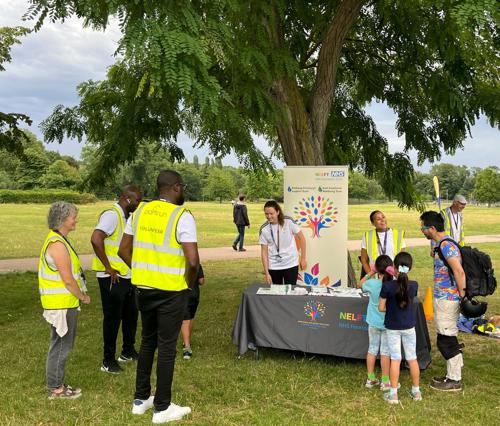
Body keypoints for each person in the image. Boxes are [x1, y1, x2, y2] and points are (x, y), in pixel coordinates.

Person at [118, 170, 199, 424]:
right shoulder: (181, 216)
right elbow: (193, 261)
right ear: (175, 187)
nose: (183, 190)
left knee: (147, 342)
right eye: (182, 186)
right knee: (166, 348)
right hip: (171, 292)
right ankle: (162, 407)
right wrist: (187, 283)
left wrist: (140, 270)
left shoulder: (139, 211)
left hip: (143, 289)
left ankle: (140, 400)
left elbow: (122, 250)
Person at [39, 201, 90, 399]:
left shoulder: (59, 239)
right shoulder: (57, 244)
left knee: (60, 344)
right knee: (61, 345)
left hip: (62, 303)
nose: (75, 219)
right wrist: (83, 297)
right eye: (73, 217)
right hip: (61, 304)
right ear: (62, 220)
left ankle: (56, 384)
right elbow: (68, 280)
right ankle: (56, 389)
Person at [91, 185, 142, 374]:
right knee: (113, 318)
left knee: (131, 314)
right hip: (112, 277)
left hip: (126, 275)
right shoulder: (112, 215)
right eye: (137, 200)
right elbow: (96, 239)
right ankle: (108, 360)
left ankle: (127, 351)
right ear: (127, 199)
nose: (139, 203)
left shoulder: (126, 217)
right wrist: (108, 267)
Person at [420, 211, 466, 392]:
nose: (421, 231)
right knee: (446, 335)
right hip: (442, 297)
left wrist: (463, 297)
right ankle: (452, 373)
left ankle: (454, 380)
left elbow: (459, 271)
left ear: (432, 228)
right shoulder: (441, 245)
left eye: (423, 227)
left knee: (446, 339)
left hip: (448, 298)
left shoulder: (447, 245)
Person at [379, 252, 421, 404]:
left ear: (394, 268)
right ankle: (416, 392)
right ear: (410, 268)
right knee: (412, 358)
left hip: (392, 327)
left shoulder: (387, 286)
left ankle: (393, 394)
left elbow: (381, 308)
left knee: (395, 359)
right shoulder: (414, 285)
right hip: (409, 327)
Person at [357, 255, 392, 391]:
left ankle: (370, 378)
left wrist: (371, 272)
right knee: (385, 352)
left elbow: (359, 284)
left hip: (373, 322)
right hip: (387, 323)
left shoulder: (372, 284)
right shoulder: (392, 285)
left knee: (372, 349)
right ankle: (385, 381)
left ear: (377, 269)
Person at [259, 200, 307, 285]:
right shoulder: (264, 229)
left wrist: (303, 258)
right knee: (277, 293)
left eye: (271, 213)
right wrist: (267, 273)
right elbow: (264, 252)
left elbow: (302, 238)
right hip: (274, 266)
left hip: (291, 263)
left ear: (277, 212)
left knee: (291, 292)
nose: (269, 216)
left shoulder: (288, 222)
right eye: (266, 214)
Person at [360, 210, 405, 279]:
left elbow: (402, 258)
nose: (382, 220)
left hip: (394, 277)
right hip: (375, 277)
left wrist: (397, 275)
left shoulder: (398, 234)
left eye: (383, 217)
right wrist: (370, 276)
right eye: (378, 219)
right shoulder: (368, 236)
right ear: (373, 223)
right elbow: (364, 259)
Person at [180, 264, 205, 360]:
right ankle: (186, 341)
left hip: (183, 294)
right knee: (191, 318)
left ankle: (187, 347)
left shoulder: (180, 264)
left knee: (185, 320)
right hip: (194, 295)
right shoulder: (196, 264)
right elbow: (201, 281)